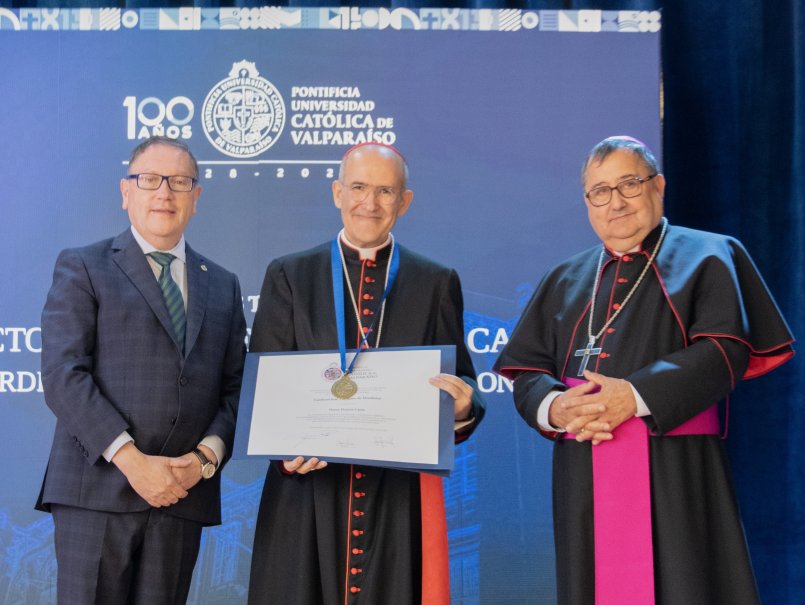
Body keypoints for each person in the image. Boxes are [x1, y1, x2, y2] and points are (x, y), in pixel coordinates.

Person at [494, 136, 794, 605]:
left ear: (658, 186)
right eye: (600, 191)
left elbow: (725, 351)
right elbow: (528, 371)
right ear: (587, 203)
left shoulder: (712, 255)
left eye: (629, 184)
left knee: (687, 584)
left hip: (676, 469)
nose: (615, 202)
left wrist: (632, 397)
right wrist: (555, 406)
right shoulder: (564, 277)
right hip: (584, 474)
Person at [247, 142, 485, 604]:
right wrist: (284, 449)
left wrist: (461, 408)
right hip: (307, 493)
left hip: (397, 496)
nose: (369, 203)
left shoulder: (435, 282)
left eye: (385, 191)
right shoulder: (290, 275)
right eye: (358, 187)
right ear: (337, 192)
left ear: (404, 201)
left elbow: (465, 384)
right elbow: (262, 386)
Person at [37, 136, 247, 604]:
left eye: (179, 182)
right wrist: (133, 462)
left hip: (181, 497)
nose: (164, 193)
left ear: (196, 196)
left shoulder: (224, 285)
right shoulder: (84, 266)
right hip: (97, 493)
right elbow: (64, 374)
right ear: (125, 191)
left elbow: (236, 389)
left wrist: (203, 461)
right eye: (150, 179)